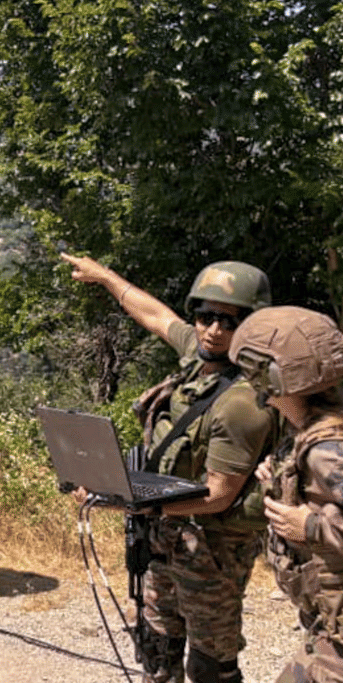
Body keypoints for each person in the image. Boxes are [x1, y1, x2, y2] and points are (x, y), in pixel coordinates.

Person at [62, 254, 275, 683]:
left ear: (251, 326)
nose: (214, 330)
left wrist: (126, 501)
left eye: (230, 322)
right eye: (206, 316)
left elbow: (218, 495)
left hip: (213, 552)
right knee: (157, 649)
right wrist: (105, 277)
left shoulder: (243, 402)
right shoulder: (200, 361)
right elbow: (156, 316)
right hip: (165, 537)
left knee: (210, 665)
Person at [233, 306, 343, 682]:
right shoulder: (310, 433)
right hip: (327, 627)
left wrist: (310, 527)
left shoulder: (326, 449)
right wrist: (279, 475)